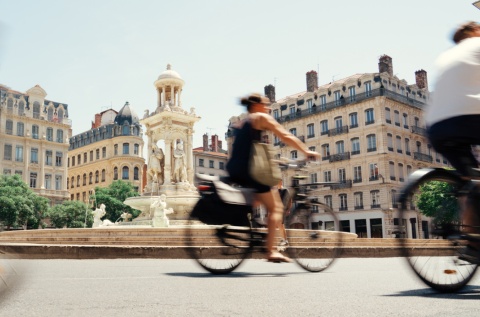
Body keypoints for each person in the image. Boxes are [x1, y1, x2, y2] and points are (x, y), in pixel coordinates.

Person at [226, 93, 320, 263]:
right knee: (276, 207)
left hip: (236, 169)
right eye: (265, 104)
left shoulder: (243, 122)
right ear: (256, 106)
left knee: (257, 202)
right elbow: (285, 135)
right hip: (249, 171)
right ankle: (271, 251)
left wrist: (275, 161)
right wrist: (306, 151)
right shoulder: (260, 117)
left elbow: (251, 150)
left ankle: (257, 236)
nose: (268, 108)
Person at [426, 21, 480, 263]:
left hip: (437, 127)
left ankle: (472, 243)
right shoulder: (477, 45)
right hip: (468, 117)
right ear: (475, 32)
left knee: (471, 179)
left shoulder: (447, 57)